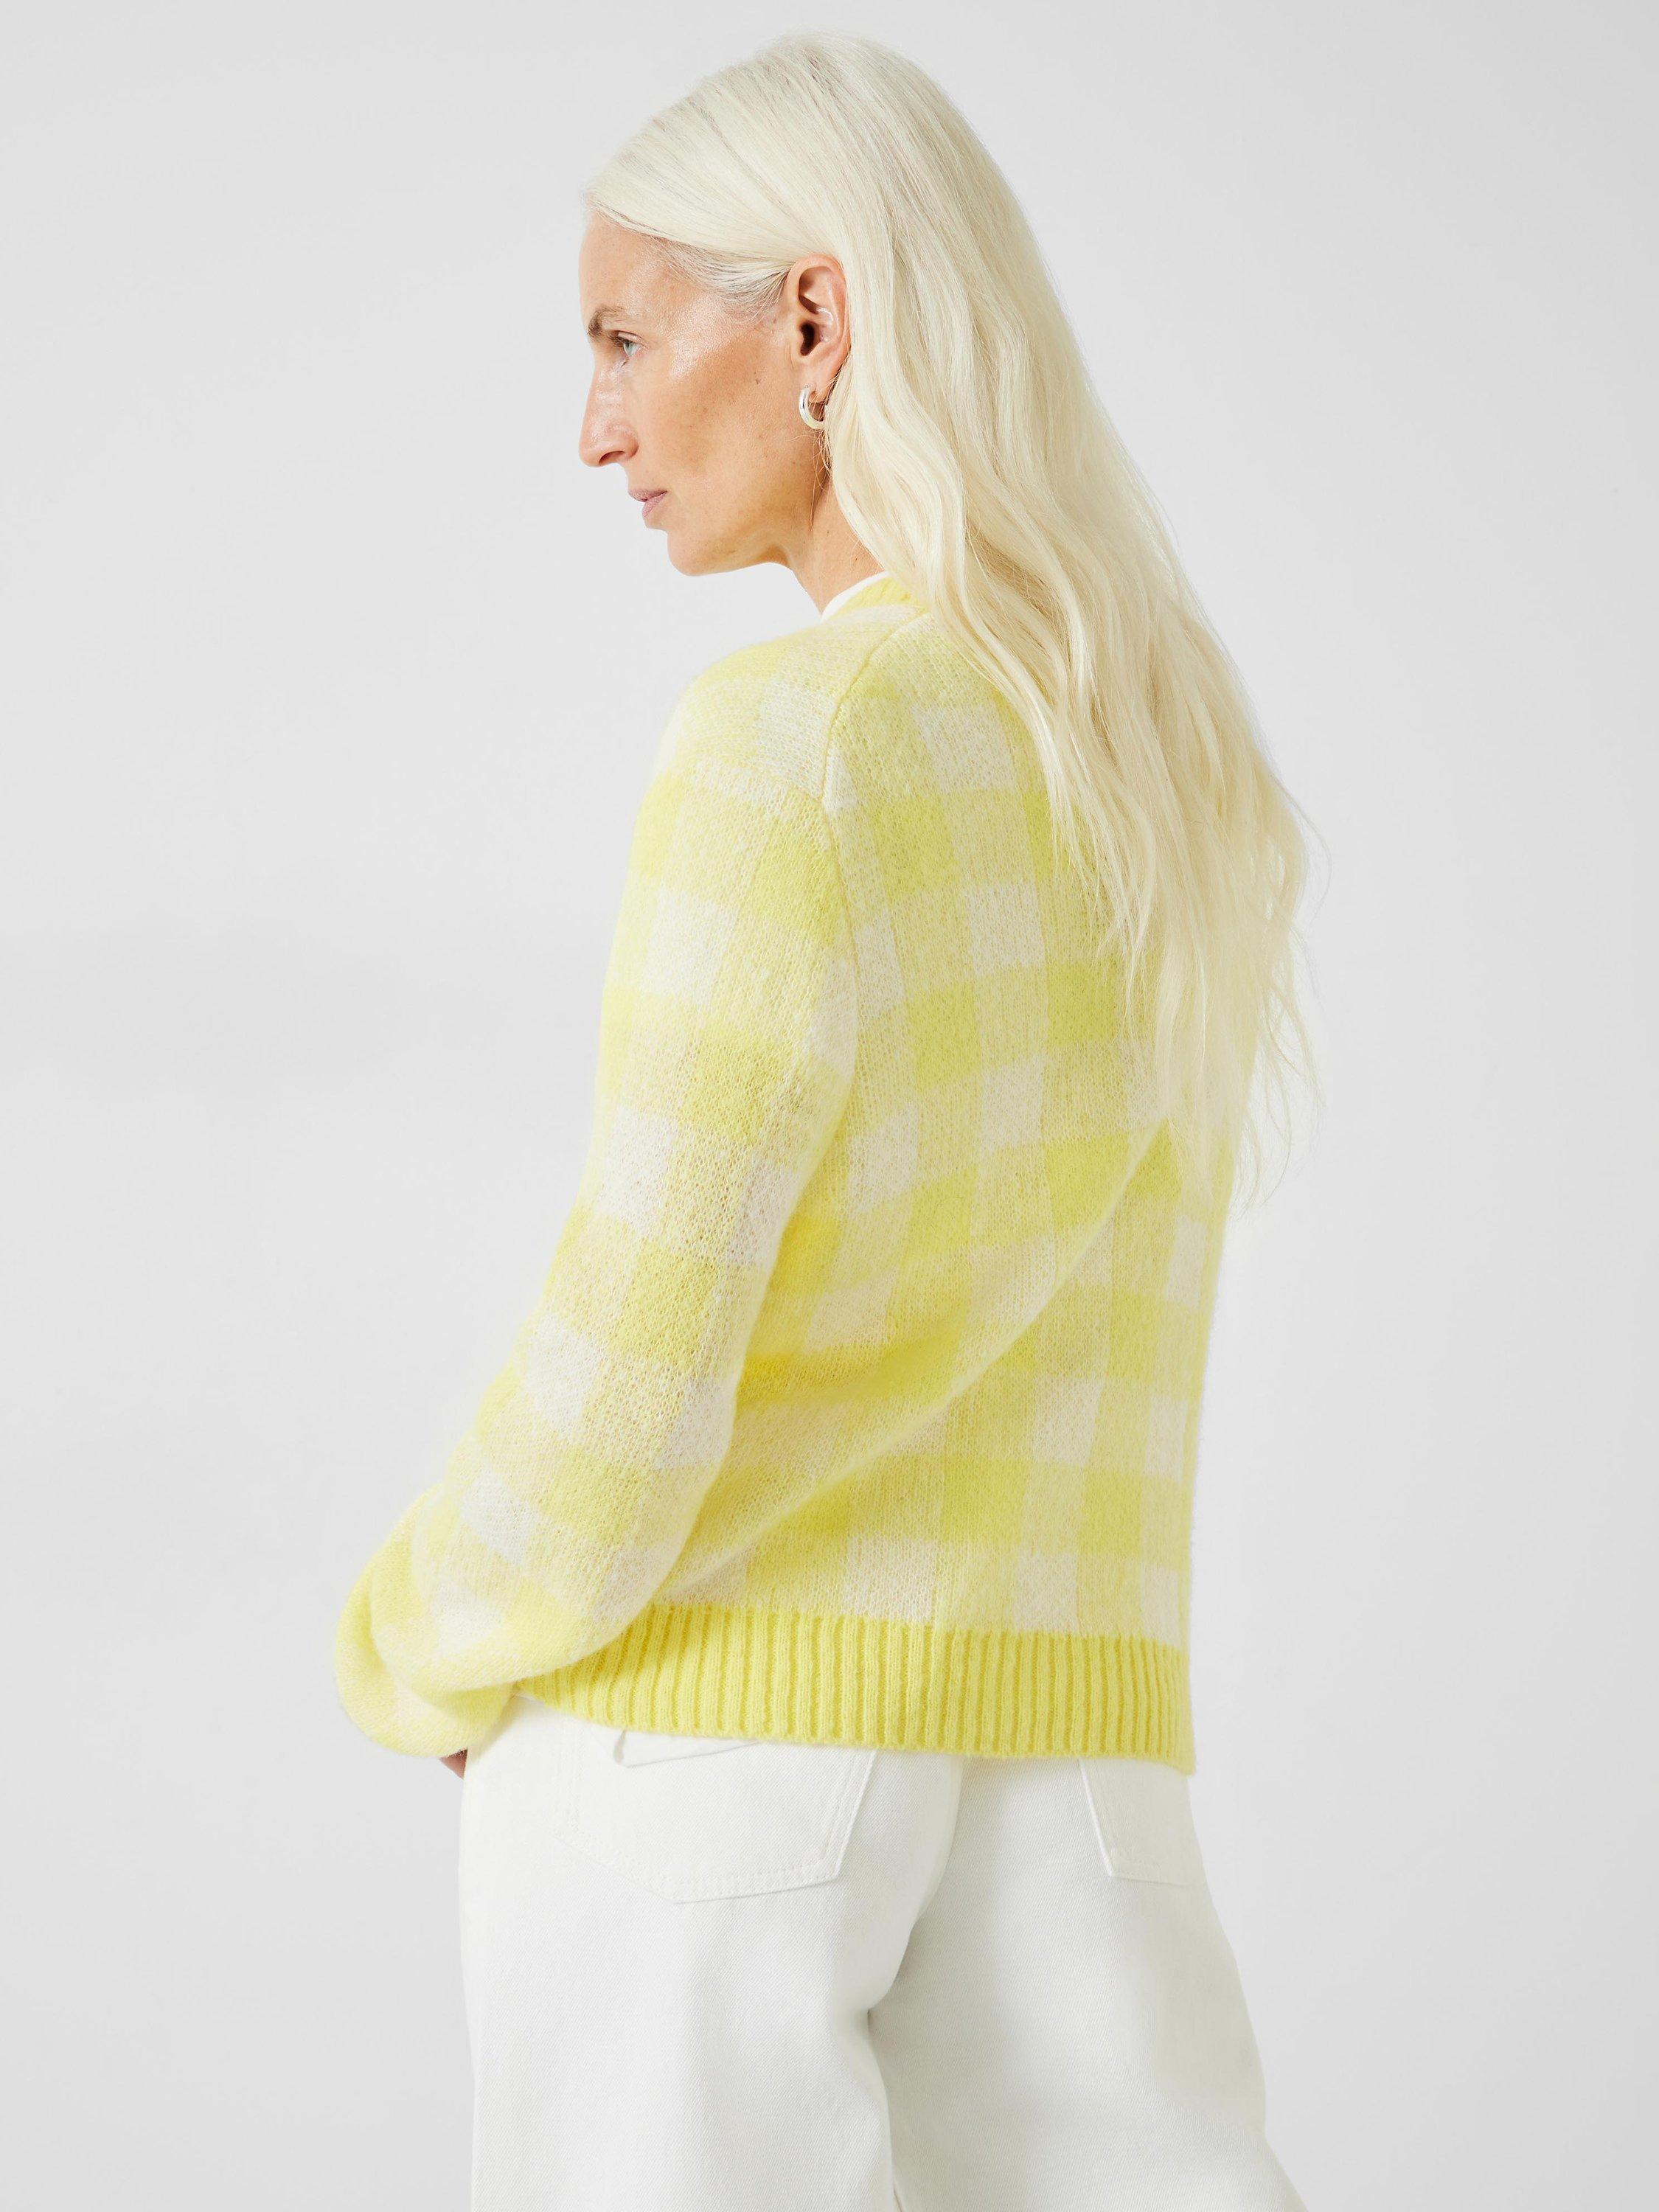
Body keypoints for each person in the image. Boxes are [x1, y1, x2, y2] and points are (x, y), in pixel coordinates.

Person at [334, 30, 1318, 2211]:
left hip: (709, 1758)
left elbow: (639, 1324)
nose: (592, 425)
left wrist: (417, 1634)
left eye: (620, 339)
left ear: (811, 320)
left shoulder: (791, 743)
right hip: (1071, 1748)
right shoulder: (1160, 767)